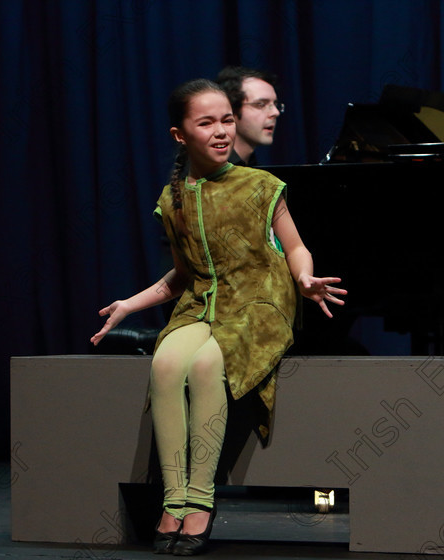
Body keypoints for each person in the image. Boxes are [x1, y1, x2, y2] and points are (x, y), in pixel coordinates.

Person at [90, 78, 345, 556]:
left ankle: (202, 500)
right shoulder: (173, 199)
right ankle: (174, 499)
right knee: (166, 364)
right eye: (206, 122)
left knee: (208, 364)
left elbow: (295, 247)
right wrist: (132, 303)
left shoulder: (260, 185)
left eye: (227, 119)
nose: (222, 130)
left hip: (260, 302)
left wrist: (305, 279)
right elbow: (182, 276)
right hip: (204, 303)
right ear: (180, 134)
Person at [215, 66, 283, 166]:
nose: (275, 112)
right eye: (260, 104)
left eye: (275, 105)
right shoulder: (205, 173)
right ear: (231, 109)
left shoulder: (255, 169)